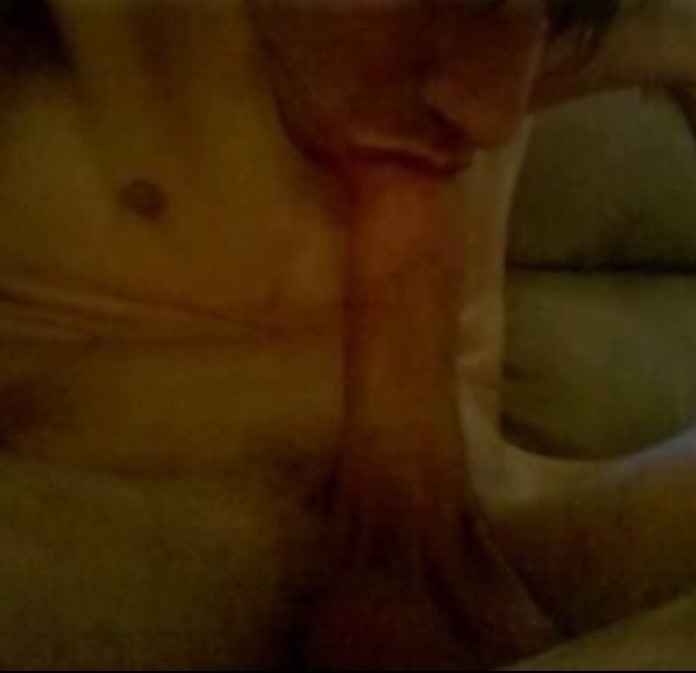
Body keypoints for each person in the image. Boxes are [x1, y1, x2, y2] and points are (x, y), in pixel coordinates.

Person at [0, 0, 695, 670]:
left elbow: (678, 34)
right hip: (124, 531)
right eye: (440, 4)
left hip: (500, 523)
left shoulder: (527, 44)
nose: (496, 120)